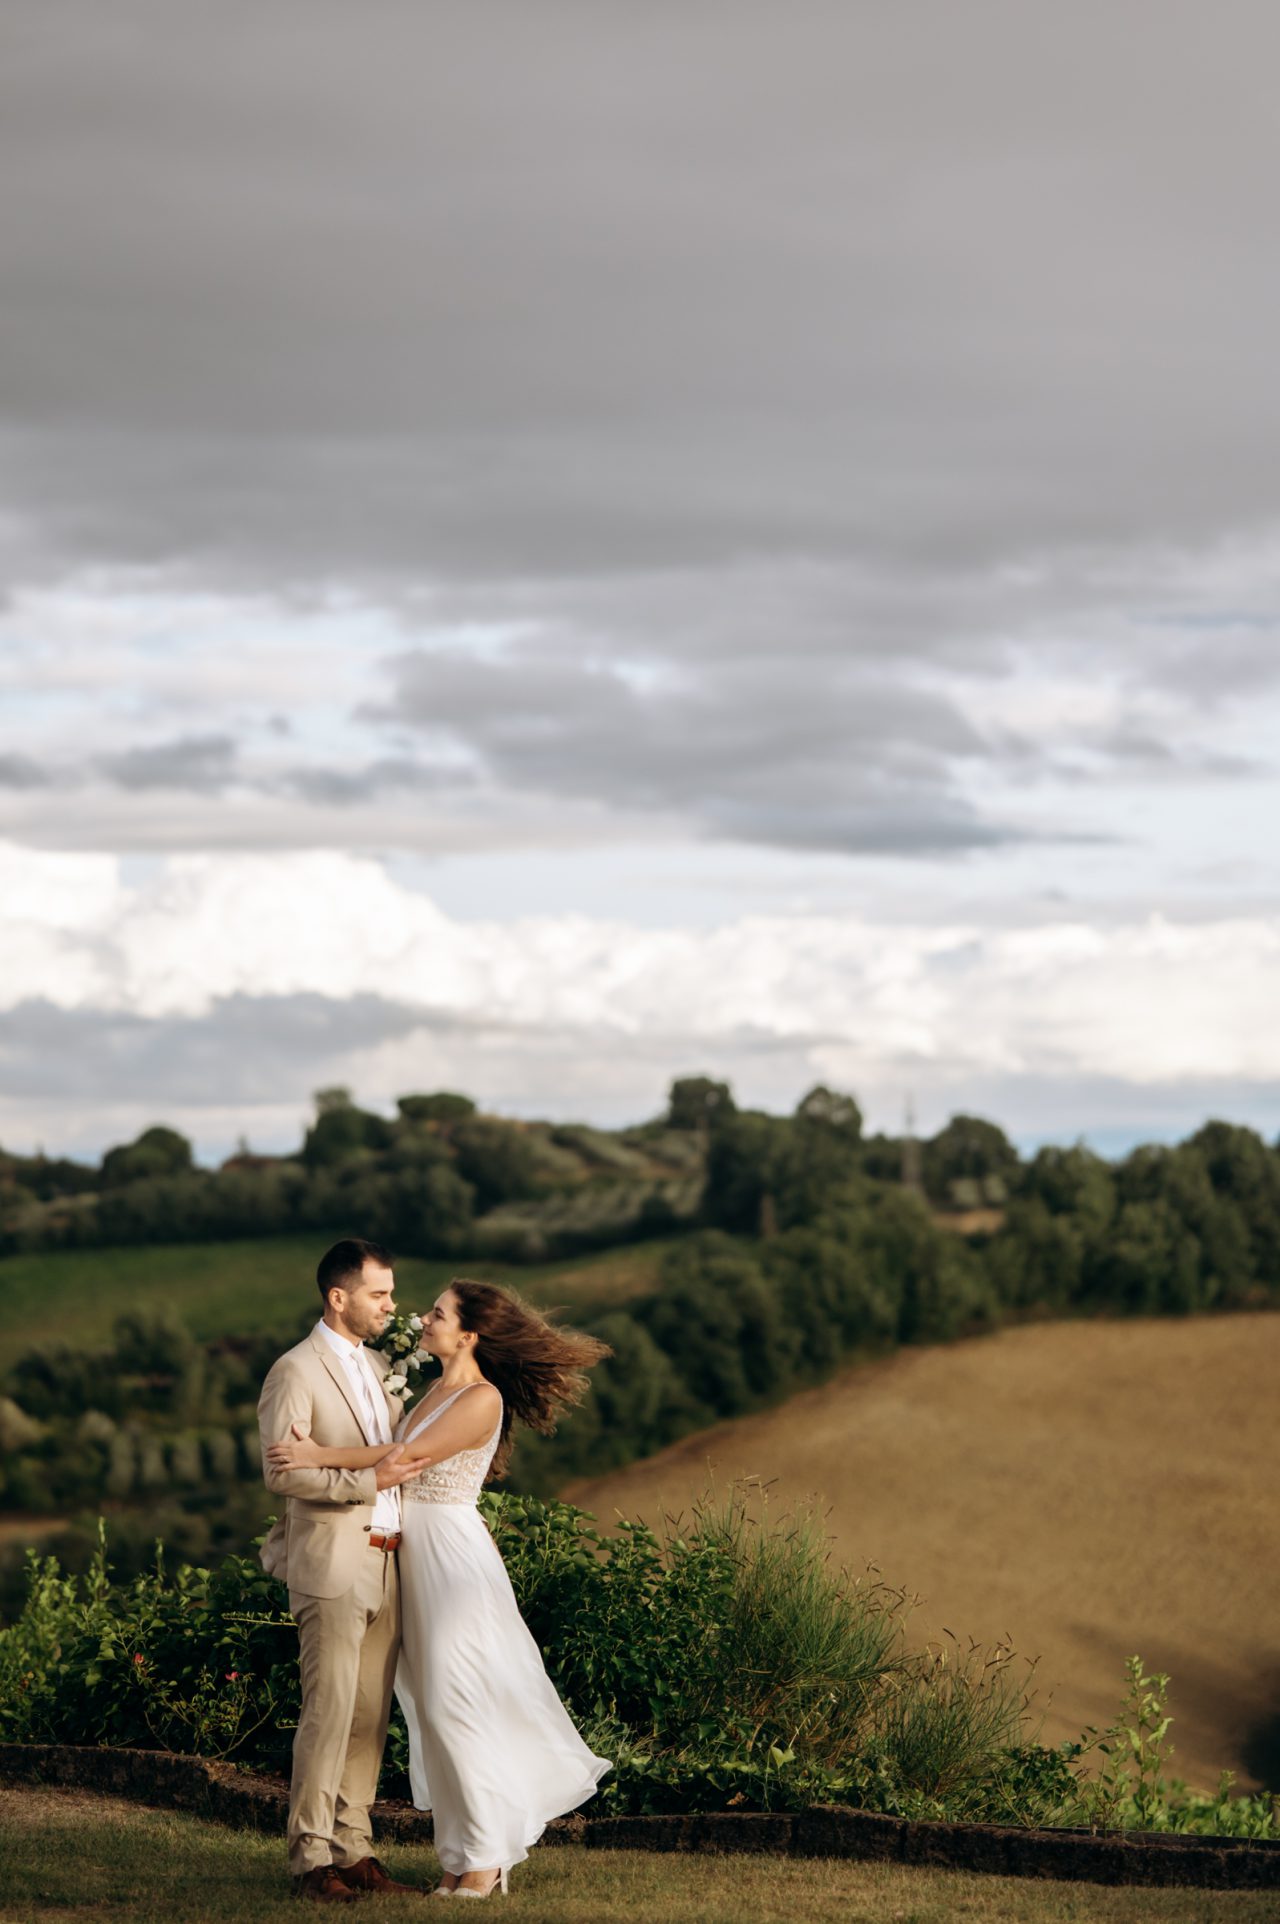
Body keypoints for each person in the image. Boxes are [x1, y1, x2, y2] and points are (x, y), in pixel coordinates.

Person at [268, 1278, 613, 1900]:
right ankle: (458, 1860)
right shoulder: (434, 1389)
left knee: (459, 1705)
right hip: (413, 1561)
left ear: (469, 1334)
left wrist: (319, 1454)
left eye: (438, 1313)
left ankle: (486, 1860)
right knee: (432, 1711)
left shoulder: (481, 1398)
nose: (423, 1319)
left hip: (451, 1563)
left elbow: (406, 1457)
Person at [258, 1238, 424, 1903]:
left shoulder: (379, 1365)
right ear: (338, 1297)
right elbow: (282, 1472)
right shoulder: (294, 1371)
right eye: (379, 1294)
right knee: (328, 1715)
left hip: (390, 1561)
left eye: (390, 1293)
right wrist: (366, 1481)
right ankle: (310, 1859)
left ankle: (353, 1851)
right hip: (331, 1563)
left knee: (368, 1717)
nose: (390, 1305)